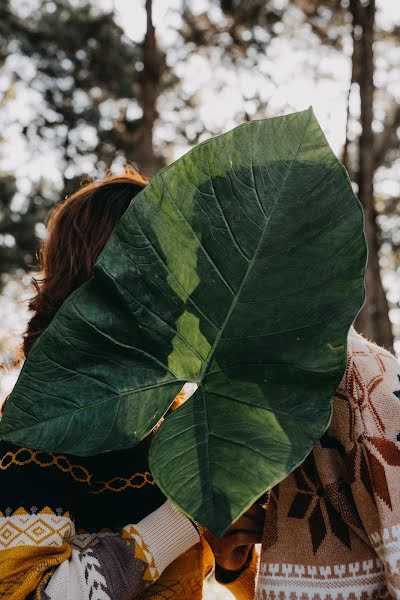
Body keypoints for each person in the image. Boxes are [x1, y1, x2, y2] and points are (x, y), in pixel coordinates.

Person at [0, 169, 260, 600]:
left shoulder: (172, 421)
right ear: (102, 277)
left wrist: (232, 563)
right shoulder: (40, 424)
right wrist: (183, 518)